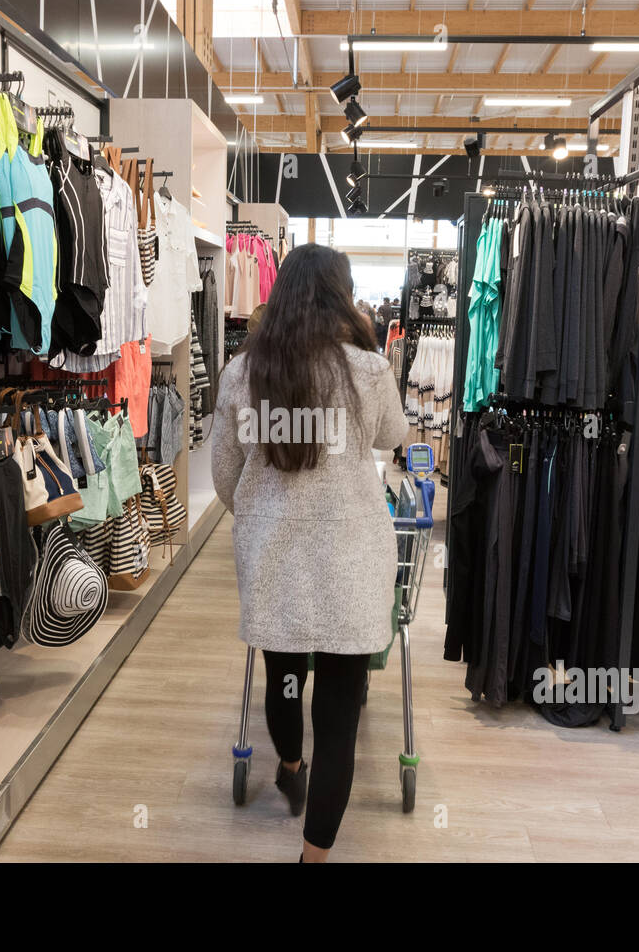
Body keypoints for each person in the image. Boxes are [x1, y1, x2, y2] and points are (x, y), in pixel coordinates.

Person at [212, 244, 408, 862]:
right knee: (340, 711)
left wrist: (266, 509)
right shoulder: (367, 368)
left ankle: (290, 767)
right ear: (341, 296)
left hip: (275, 556)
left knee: (284, 676)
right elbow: (393, 436)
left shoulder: (244, 373)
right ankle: (313, 855)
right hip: (352, 558)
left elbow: (224, 476)